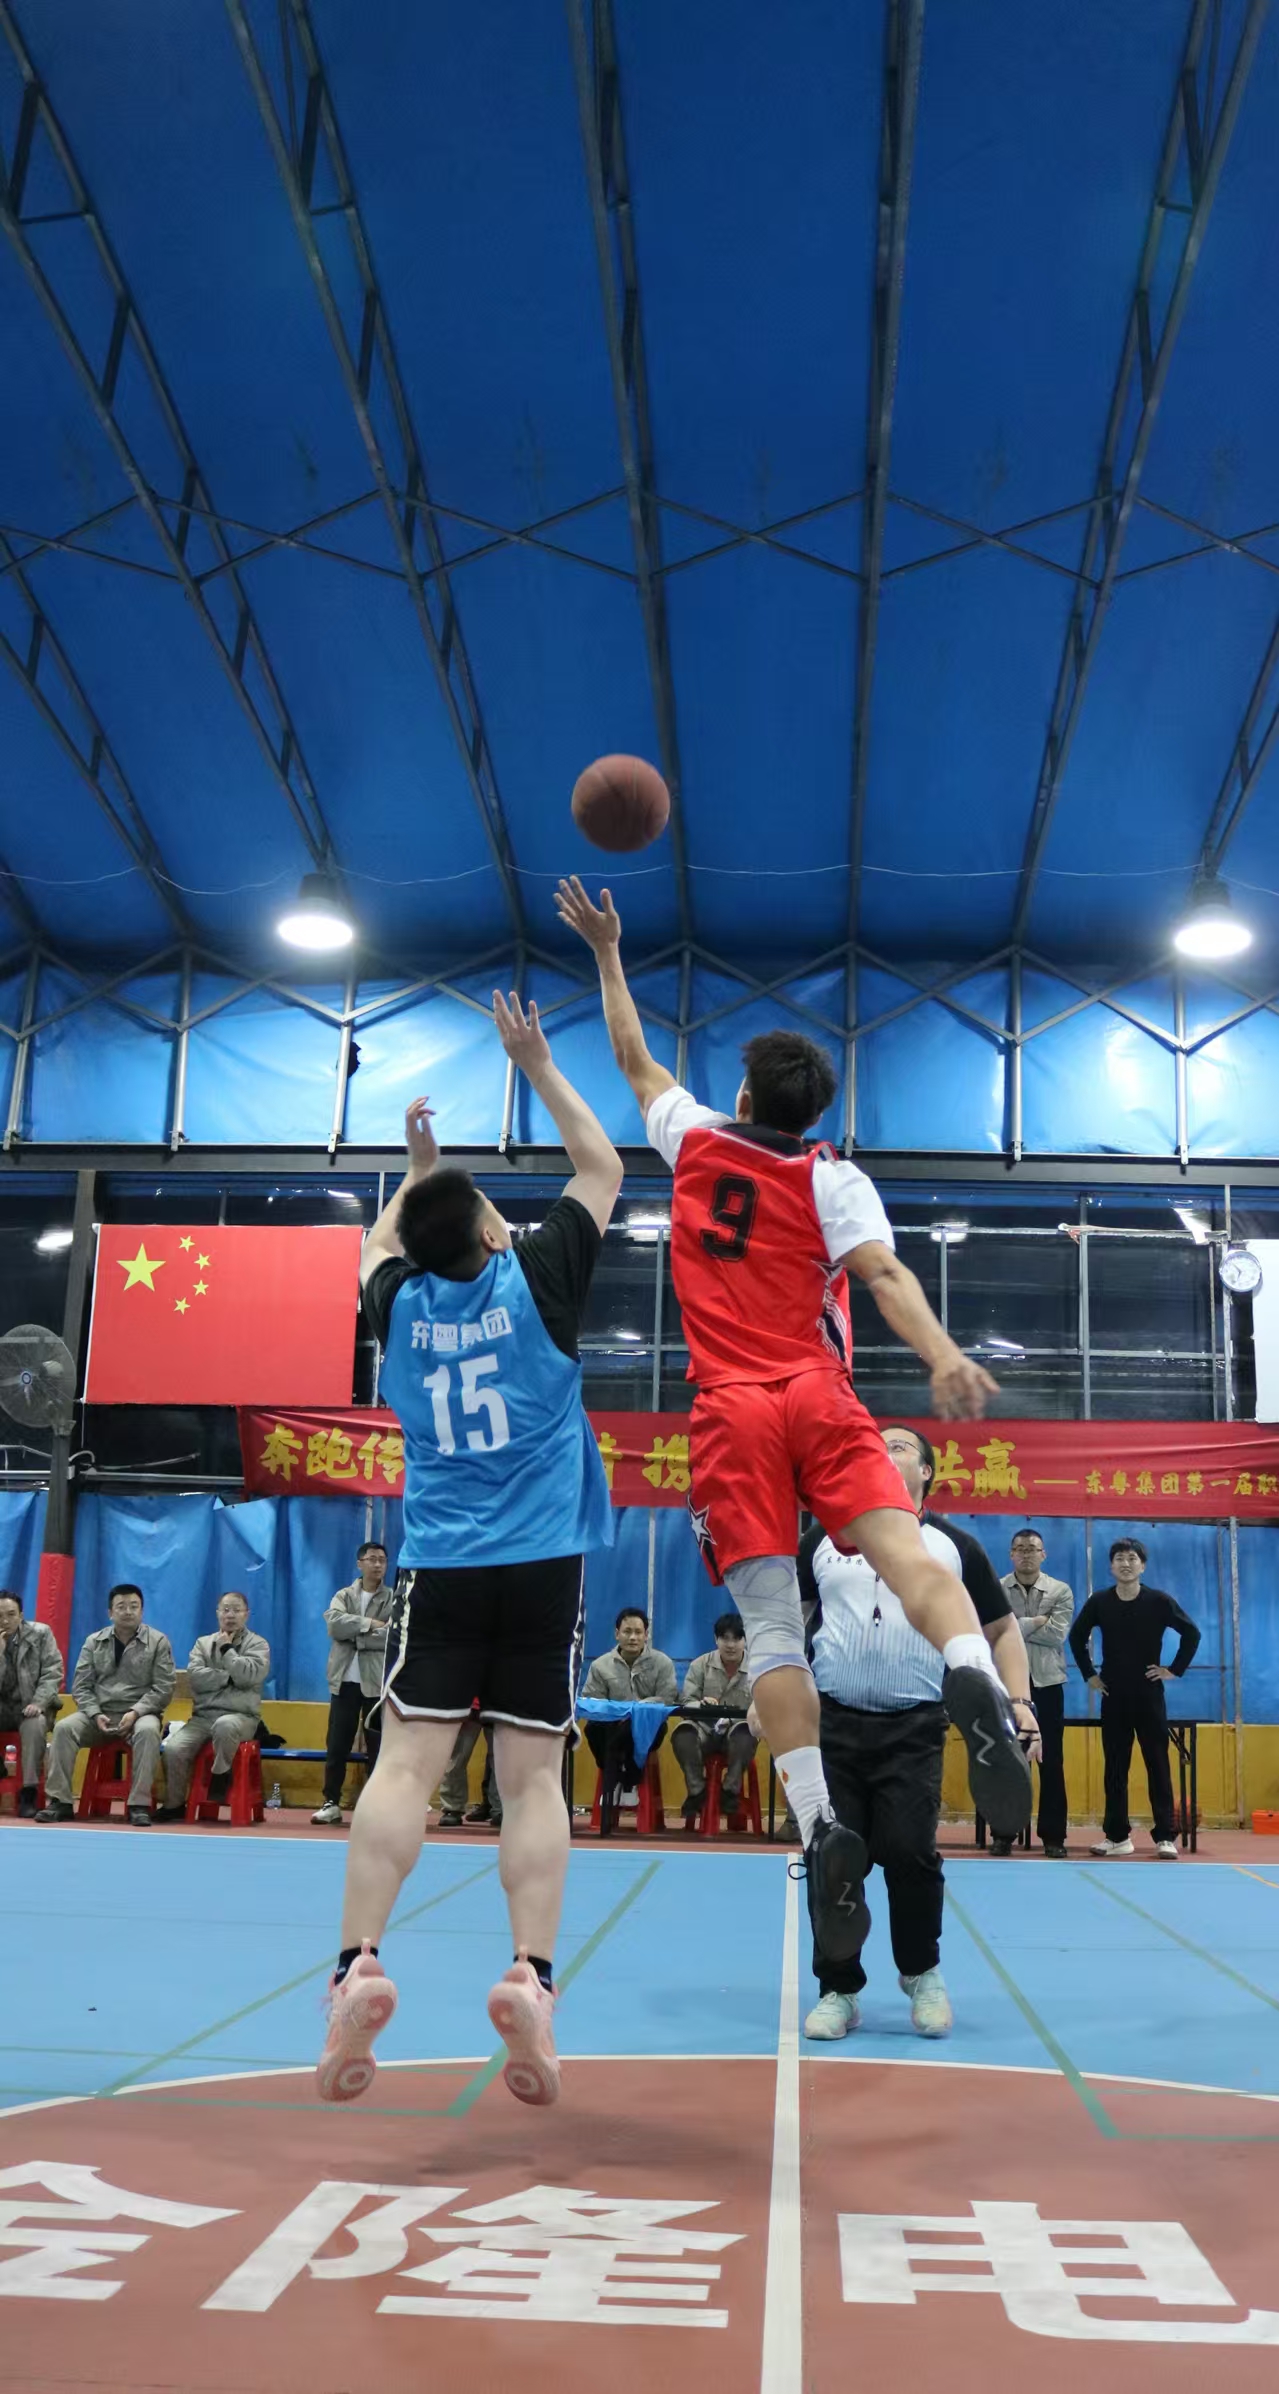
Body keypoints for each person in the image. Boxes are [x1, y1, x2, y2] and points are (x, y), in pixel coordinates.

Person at [557, 874, 1030, 1962]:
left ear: (741, 1091)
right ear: (812, 1113)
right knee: (907, 1555)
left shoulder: (692, 1139)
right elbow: (883, 1276)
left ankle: (820, 1825)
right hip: (817, 1391)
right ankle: (969, 1670)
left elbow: (631, 1057)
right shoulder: (832, 1175)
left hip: (729, 1407)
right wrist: (943, 1355)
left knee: (773, 1628)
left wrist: (608, 952)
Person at [318, 991, 622, 2110]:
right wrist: (532, 1062)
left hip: (441, 1562)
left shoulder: (395, 1306)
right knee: (531, 1777)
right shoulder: (539, 1280)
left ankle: (357, 1963)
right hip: (542, 1562)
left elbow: (384, 1239)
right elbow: (600, 1166)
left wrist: (417, 1169)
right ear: (494, 1233)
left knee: (406, 1766)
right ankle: (530, 1976)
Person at [798, 1426, 1040, 2041]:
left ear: (928, 1471)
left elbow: (1002, 1630)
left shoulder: (955, 1547)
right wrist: (767, 1694)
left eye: (901, 1446)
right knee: (834, 1859)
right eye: (876, 1443)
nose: (885, 1450)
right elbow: (788, 1624)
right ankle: (838, 1988)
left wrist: (1019, 1702)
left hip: (914, 1727)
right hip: (833, 1725)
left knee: (910, 1853)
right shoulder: (821, 1541)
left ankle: (921, 1973)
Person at [1069, 1537, 1201, 1859]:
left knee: (1158, 1764)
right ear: (1111, 1566)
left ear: (1142, 1565)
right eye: (1119, 1559)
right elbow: (1076, 1636)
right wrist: (1089, 1674)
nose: (1125, 1564)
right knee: (1115, 1767)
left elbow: (1191, 1633)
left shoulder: (1159, 1601)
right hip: (1113, 1694)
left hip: (1148, 1695)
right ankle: (1117, 1837)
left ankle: (1165, 1837)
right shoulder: (1100, 1601)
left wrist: (1173, 1670)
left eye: (1132, 1559)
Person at [38, 1585, 174, 1826]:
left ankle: (139, 1805)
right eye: (121, 1607)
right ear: (110, 1612)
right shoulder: (94, 1642)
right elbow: (81, 1686)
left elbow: (163, 1687)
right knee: (64, 1729)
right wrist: (94, 1713)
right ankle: (60, 1802)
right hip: (98, 1714)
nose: (128, 1611)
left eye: (134, 1606)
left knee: (147, 1731)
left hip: (140, 1714)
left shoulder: (158, 1642)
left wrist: (136, 1712)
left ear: (142, 1611)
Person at [158, 1592, 271, 1820]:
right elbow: (195, 1678)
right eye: (225, 1610)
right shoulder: (203, 1644)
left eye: (236, 1610)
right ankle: (175, 1804)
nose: (230, 1615)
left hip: (242, 1717)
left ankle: (220, 1775)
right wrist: (229, 1677)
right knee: (174, 1749)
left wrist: (227, 1650)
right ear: (218, 1613)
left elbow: (248, 1677)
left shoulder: (258, 1644)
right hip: (203, 1718)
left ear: (246, 1614)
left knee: (225, 1725)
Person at [1001, 1527, 1075, 1857]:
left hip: (1048, 1685)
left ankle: (1053, 1836)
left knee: (1051, 1760)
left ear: (1043, 1554)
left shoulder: (1060, 1590)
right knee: (1009, 1760)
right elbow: (992, 1631)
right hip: (1008, 1685)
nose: (1026, 1554)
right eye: (1020, 1549)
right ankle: (1004, 1833)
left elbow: (1057, 1634)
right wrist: (1035, 1622)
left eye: (1032, 1549)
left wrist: (1015, 1627)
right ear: (1011, 1554)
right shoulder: (997, 1589)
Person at [312, 1542, 394, 1826]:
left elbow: (393, 1637)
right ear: (360, 1563)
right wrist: (372, 1624)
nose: (377, 1564)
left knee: (378, 1747)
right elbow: (334, 1626)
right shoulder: (343, 1595)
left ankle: (376, 1805)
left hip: (376, 1686)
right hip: (344, 1682)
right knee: (337, 1746)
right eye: (372, 1559)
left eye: (382, 1560)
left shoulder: (393, 1598)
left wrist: (356, 1634)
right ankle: (331, 1803)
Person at [581, 1606, 679, 1826]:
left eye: (638, 1632)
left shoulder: (662, 1663)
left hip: (650, 1727)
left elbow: (668, 1697)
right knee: (592, 1729)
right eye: (627, 1631)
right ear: (617, 1634)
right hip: (610, 1727)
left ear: (646, 1635)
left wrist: (636, 1710)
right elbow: (592, 1701)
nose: (633, 1637)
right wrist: (618, 1713)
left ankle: (619, 1781)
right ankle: (623, 1781)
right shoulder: (600, 1665)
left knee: (630, 1730)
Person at [672, 1610, 755, 1827]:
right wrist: (700, 1704)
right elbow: (686, 1702)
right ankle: (697, 1791)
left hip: (736, 1732)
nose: (731, 1645)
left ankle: (729, 1791)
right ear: (715, 1639)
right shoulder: (699, 1665)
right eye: (725, 1638)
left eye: (737, 1638)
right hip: (703, 1730)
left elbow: (764, 1705)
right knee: (682, 1733)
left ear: (746, 1640)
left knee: (746, 1734)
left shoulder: (757, 1669)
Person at [0, 1590, 62, 1817]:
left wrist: (39, 1702)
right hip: (2, 1708)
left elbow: (53, 1673)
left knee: (34, 1724)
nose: (5, 1621)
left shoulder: (41, 1634)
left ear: (21, 1615)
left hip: (31, 1706)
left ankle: (29, 1791)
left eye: (11, 1614)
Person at [434, 1712, 501, 1830]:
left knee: (501, 1759)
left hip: (497, 1707)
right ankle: (452, 1808)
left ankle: (500, 1809)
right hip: (469, 1707)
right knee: (457, 1757)